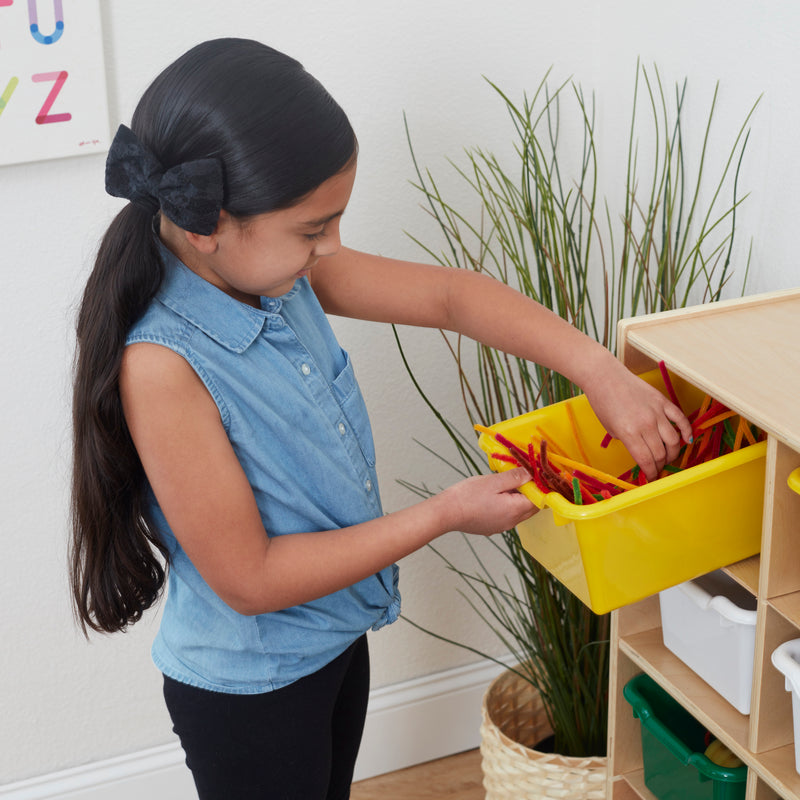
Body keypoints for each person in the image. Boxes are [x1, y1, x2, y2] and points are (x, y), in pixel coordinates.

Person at [70, 38, 692, 800]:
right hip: (252, 688)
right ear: (210, 223)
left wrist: (598, 369)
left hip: (335, 639)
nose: (330, 248)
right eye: (312, 230)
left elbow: (451, 297)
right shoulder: (162, 366)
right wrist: (442, 514)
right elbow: (252, 579)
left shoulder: (267, 271)